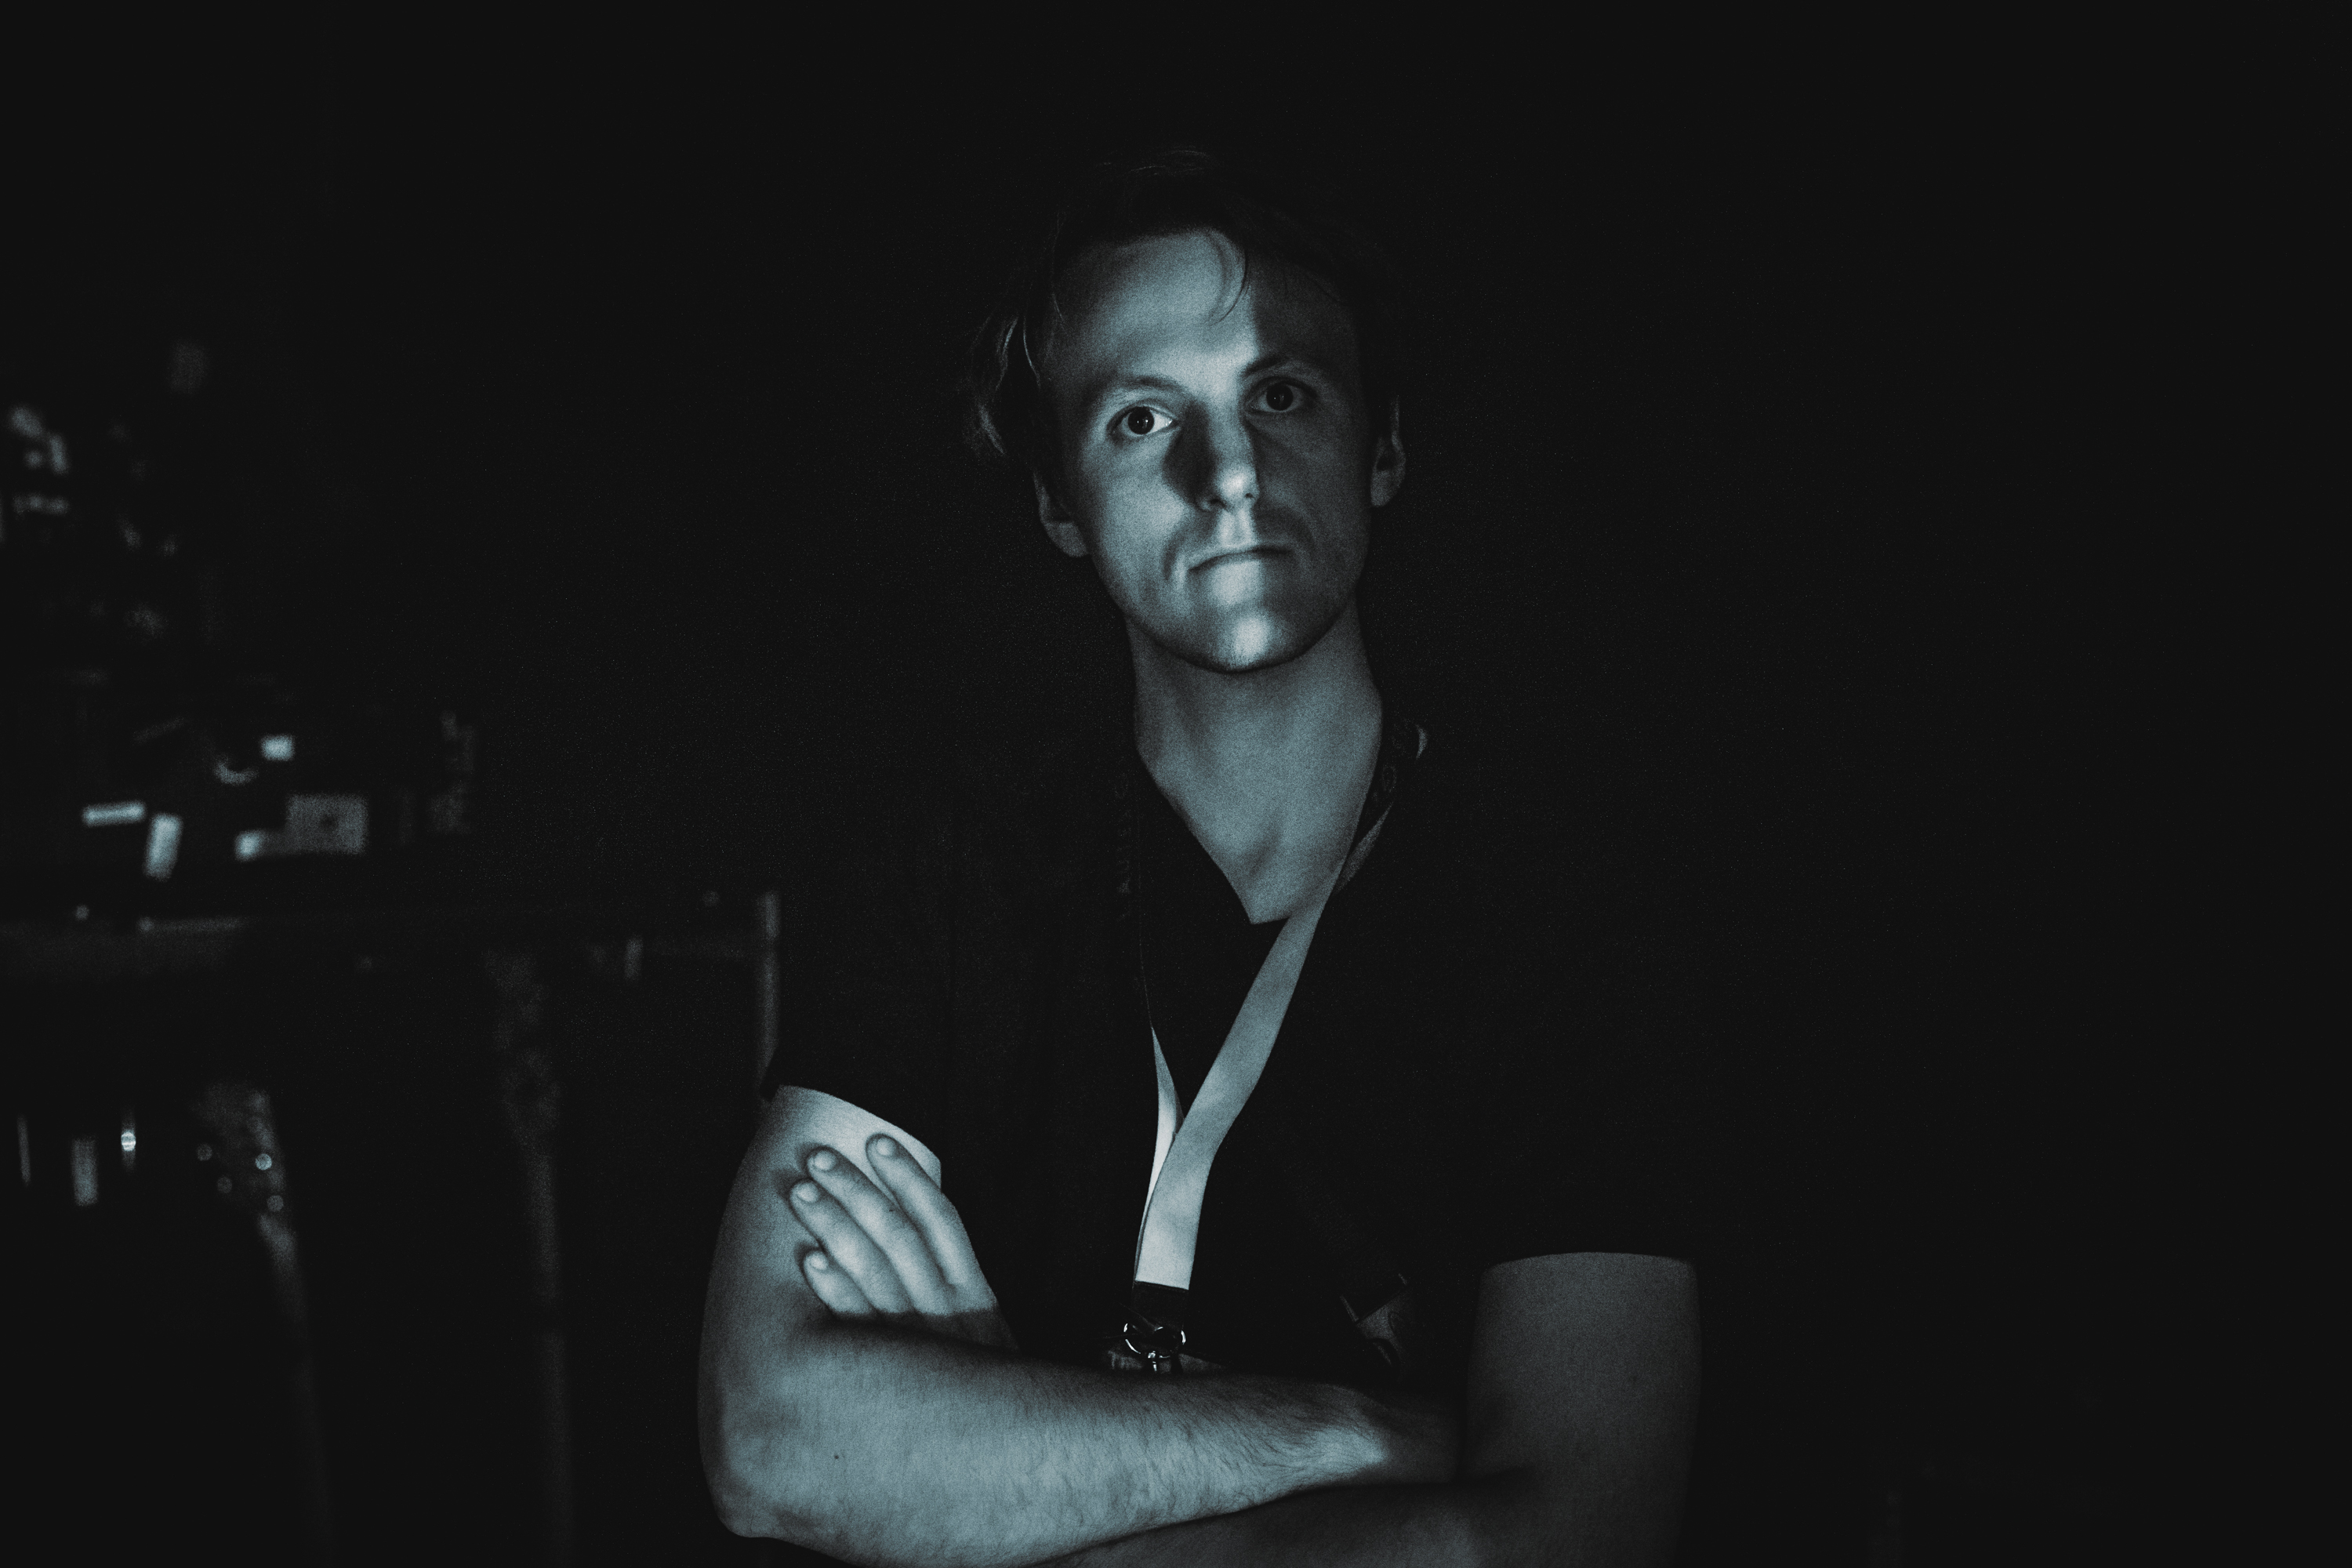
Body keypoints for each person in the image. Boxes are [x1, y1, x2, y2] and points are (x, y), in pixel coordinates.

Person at [699, 143, 1722, 1566]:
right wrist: (1355, 1436)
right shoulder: (956, 870)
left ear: (1383, 448)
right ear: (1060, 504)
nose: (1228, 473)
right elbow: (773, 1446)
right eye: (1140, 419)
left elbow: (1581, 1534)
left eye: (1281, 395)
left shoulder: (1563, 912)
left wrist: (1005, 1478)